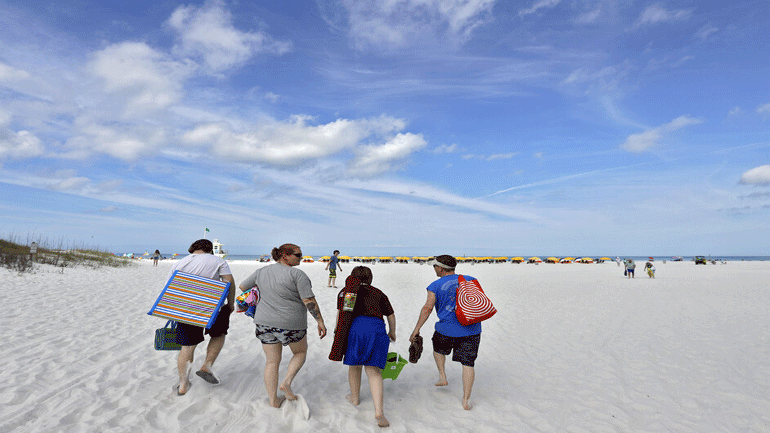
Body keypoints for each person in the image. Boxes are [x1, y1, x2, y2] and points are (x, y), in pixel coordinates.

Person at [239, 243, 327, 408]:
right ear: (285, 256)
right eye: (298, 255)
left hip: (264, 322)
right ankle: (286, 382)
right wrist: (320, 321)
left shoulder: (261, 271)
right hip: (291, 323)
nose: (301, 258)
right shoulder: (298, 275)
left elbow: (243, 286)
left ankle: (273, 400)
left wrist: (262, 292)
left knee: (272, 361)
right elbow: (309, 301)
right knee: (300, 352)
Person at [409, 255, 482, 411]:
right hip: (472, 328)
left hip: (446, 329)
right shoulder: (470, 279)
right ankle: (466, 400)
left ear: (440, 268)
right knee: (468, 363)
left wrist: (417, 328)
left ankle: (442, 376)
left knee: (438, 349)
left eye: (434, 266)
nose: (434, 269)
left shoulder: (435, 285)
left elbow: (427, 308)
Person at [167, 239, 235, 395]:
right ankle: (207, 365)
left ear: (193, 248)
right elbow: (229, 282)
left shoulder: (180, 263)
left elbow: (170, 287)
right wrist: (230, 304)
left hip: (186, 308)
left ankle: (183, 384)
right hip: (214, 306)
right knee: (219, 334)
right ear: (210, 249)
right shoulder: (218, 261)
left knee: (187, 346)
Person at [332, 266, 396, 428]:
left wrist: (336, 331)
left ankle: (354, 398)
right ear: (370, 278)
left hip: (356, 328)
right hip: (377, 328)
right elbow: (390, 314)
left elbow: (342, 313)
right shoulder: (378, 292)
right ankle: (379, 412)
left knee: (354, 365)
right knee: (374, 371)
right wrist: (392, 331)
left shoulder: (347, 292)